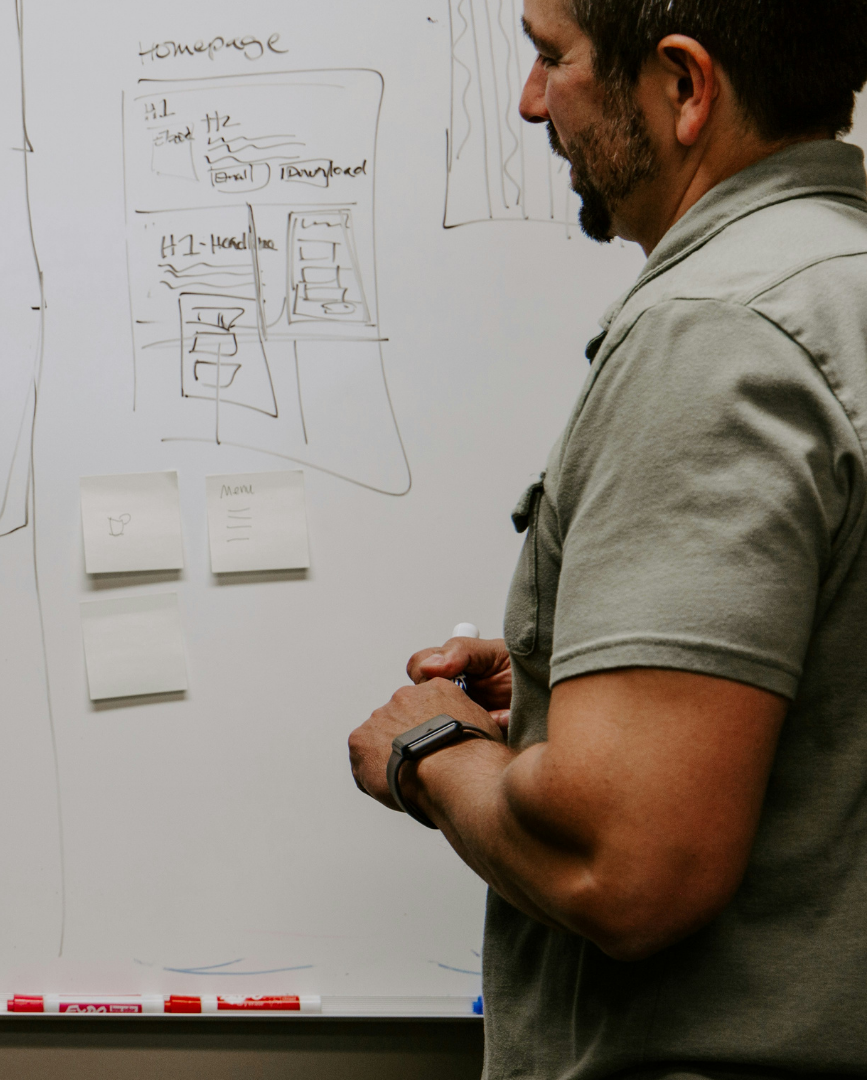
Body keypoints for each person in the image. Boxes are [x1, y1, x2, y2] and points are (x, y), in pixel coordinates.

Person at [347, 0, 867, 1076]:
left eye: (552, 59)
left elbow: (629, 866)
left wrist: (428, 751)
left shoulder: (718, 333)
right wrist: (558, 686)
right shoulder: (840, 281)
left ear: (683, 85)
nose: (532, 100)